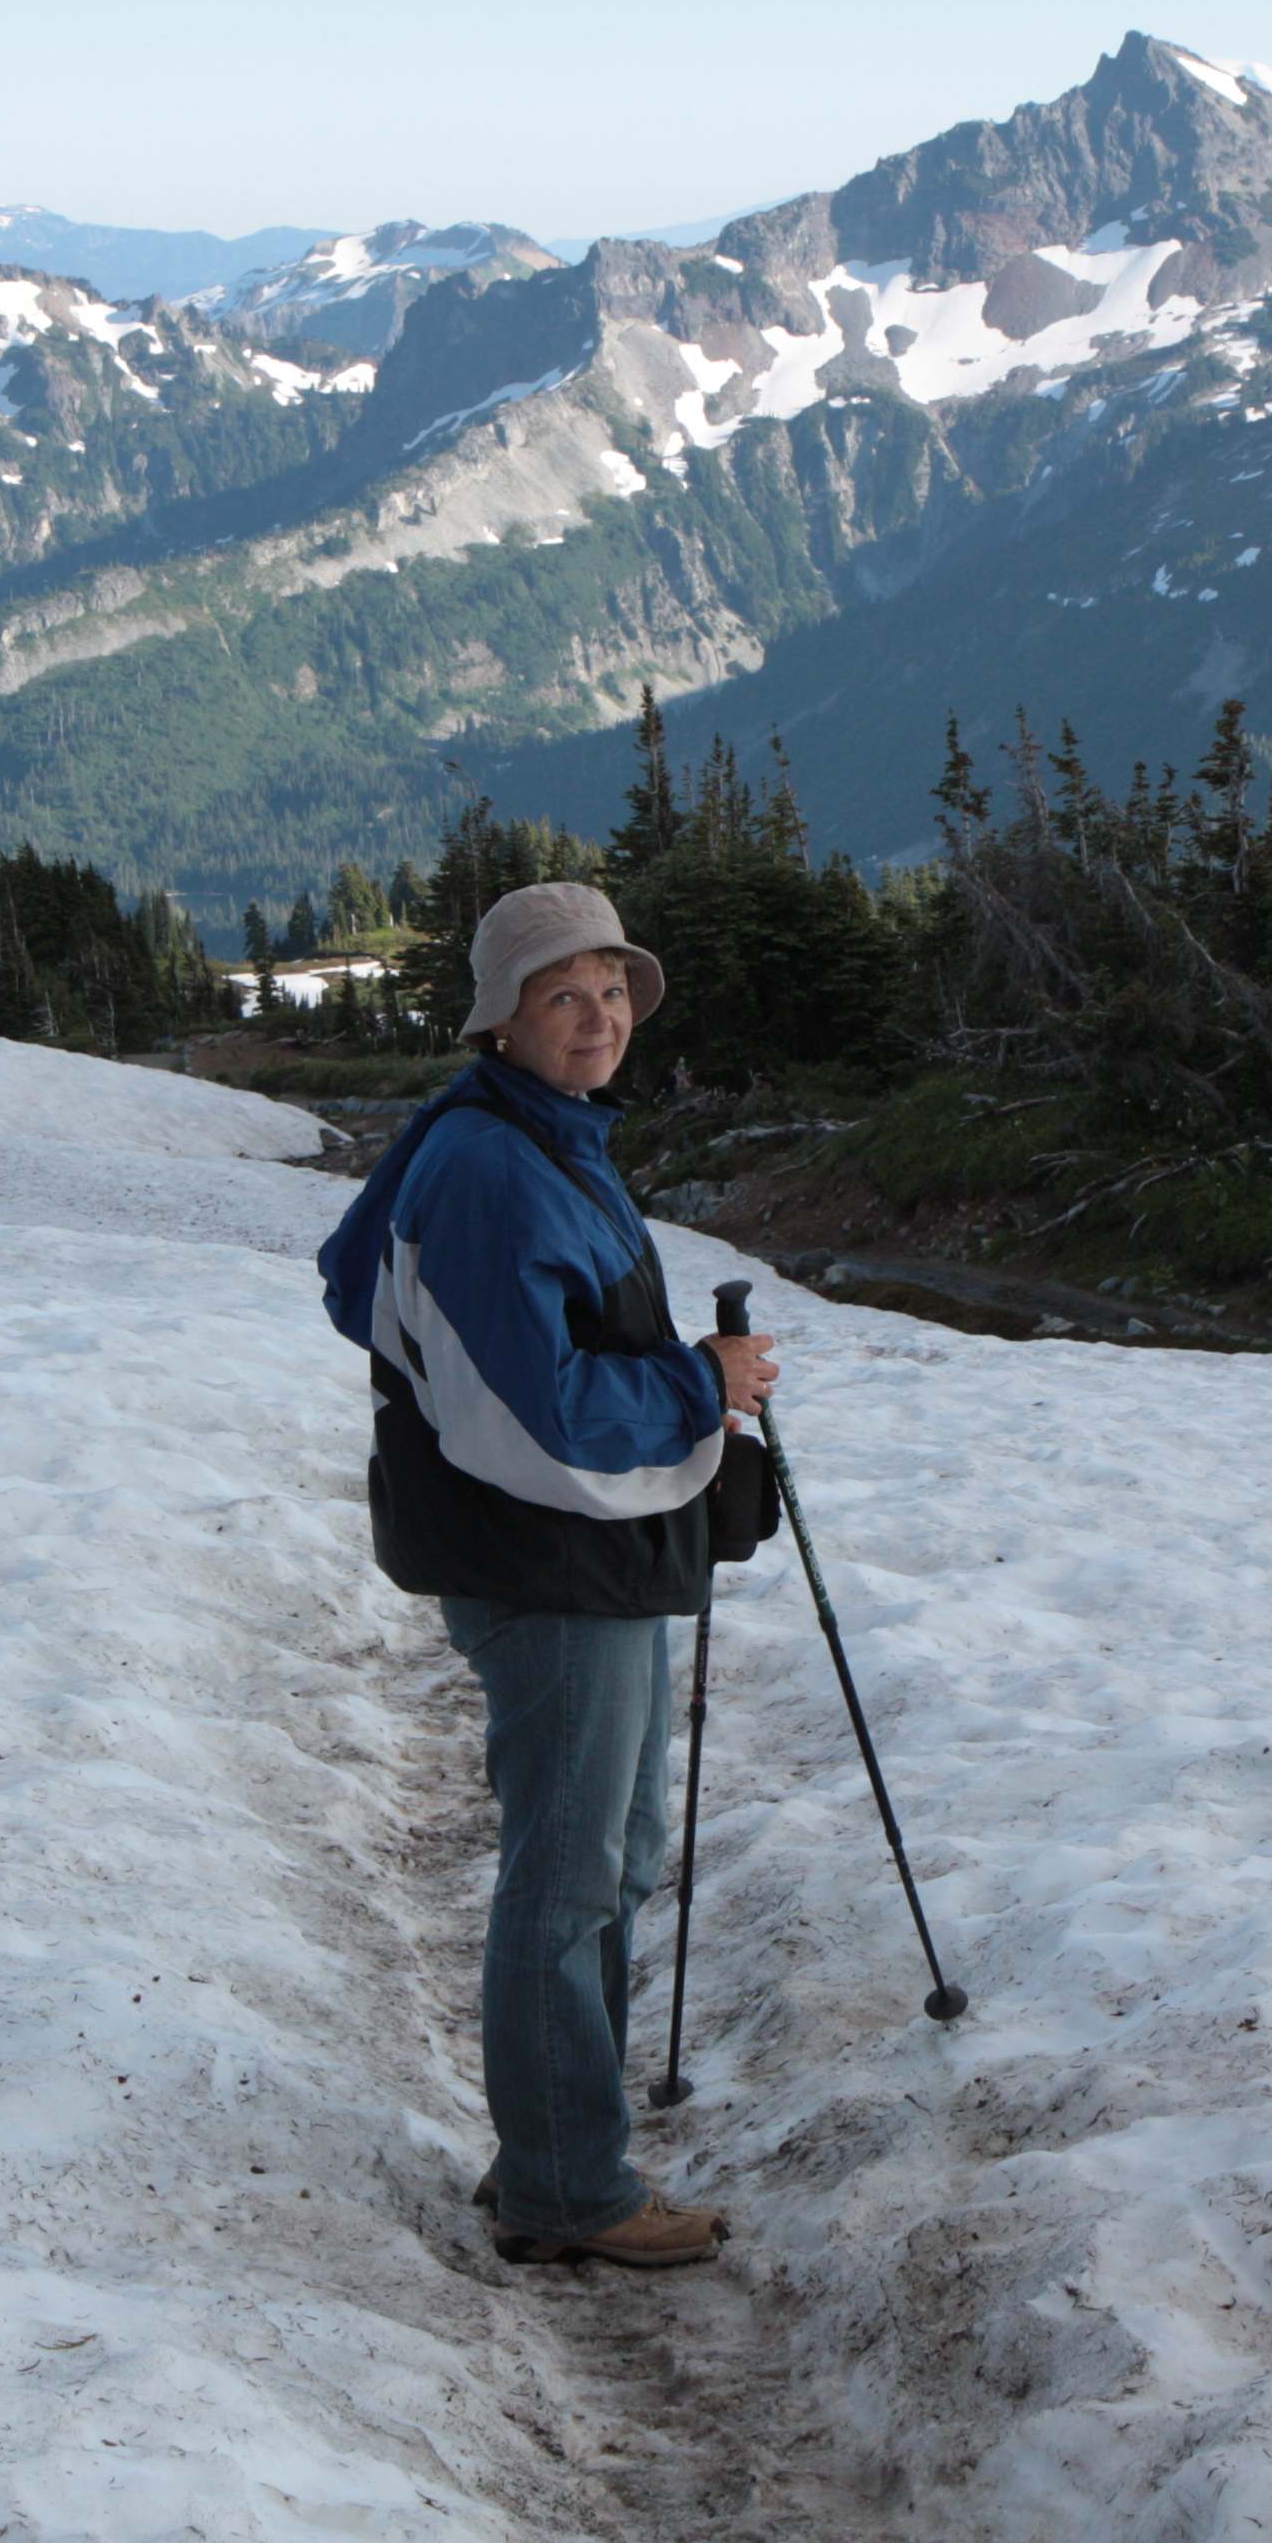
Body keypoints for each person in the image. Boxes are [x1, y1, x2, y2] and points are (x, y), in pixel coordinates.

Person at [314, 882, 777, 2270]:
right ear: (501, 1018)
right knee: (570, 1873)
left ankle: (553, 2143)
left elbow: (379, 1291)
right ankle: (568, 2188)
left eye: (614, 991)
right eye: (562, 996)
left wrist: (687, 1382)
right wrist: (700, 1383)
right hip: (549, 1562)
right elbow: (534, 1416)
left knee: (611, 1854)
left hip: (584, 1555)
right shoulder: (490, 1166)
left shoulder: (536, 1135)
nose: (599, 1020)